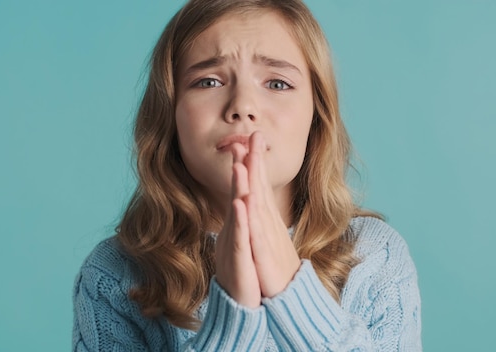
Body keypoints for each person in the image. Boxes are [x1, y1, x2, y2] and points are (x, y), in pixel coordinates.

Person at [72, 0, 422, 350]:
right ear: (170, 115)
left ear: (316, 116)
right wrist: (233, 321)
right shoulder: (114, 274)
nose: (243, 106)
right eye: (208, 81)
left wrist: (291, 290)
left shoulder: (375, 256)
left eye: (278, 84)